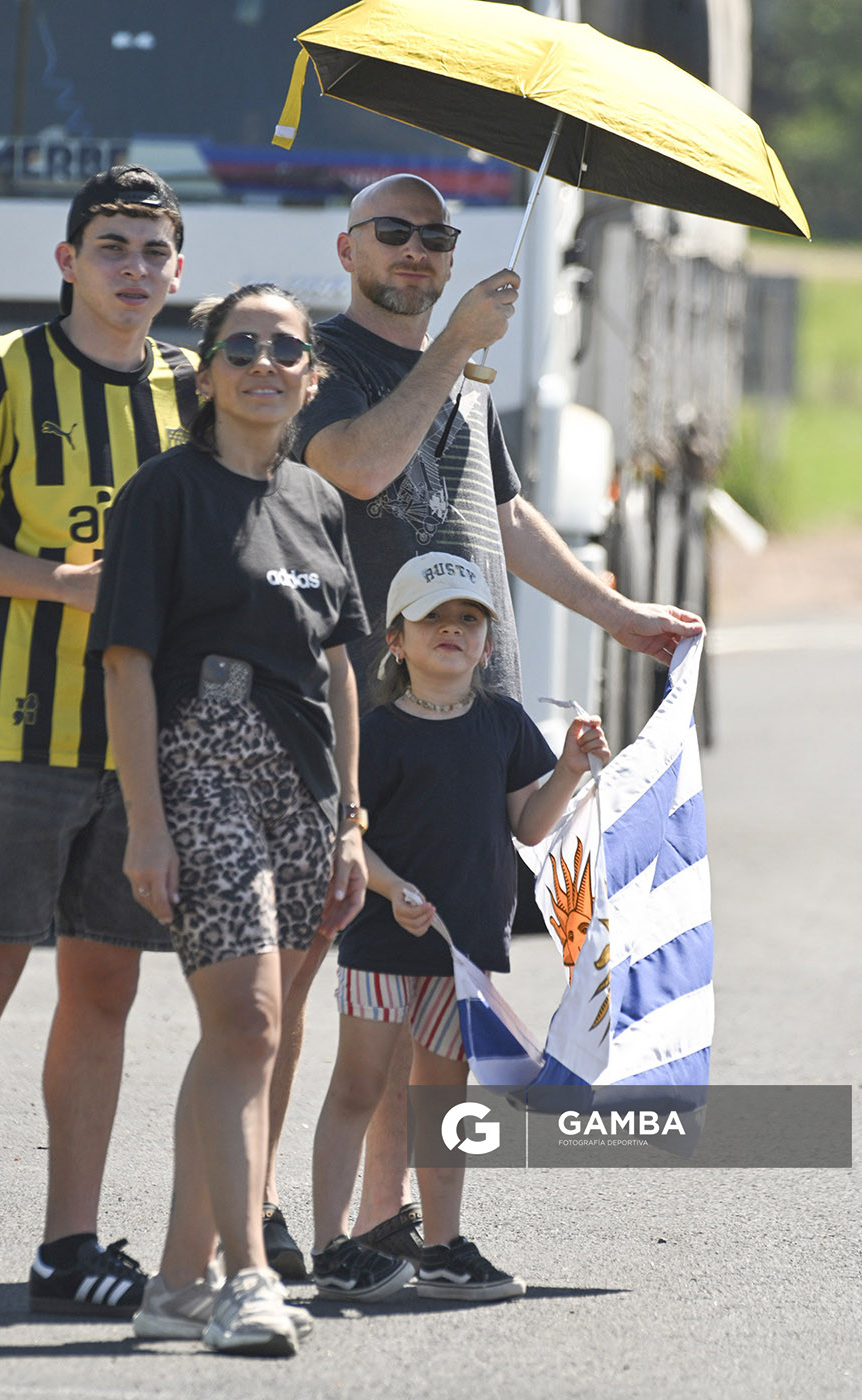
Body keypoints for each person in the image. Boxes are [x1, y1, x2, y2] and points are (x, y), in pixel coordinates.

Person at [267, 171, 704, 1268]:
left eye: (436, 235)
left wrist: (618, 616)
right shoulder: (318, 362)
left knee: (429, 1000)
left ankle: (389, 1225)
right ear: (348, 247)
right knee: (302, 974)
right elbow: (359, 467)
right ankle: (259, 1211)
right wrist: (454, 346)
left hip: (460, 723)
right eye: (394, 232)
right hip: (352, 719)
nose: (417, 250)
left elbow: (502, 514)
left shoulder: (463, 383)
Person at [0, 165, 198, 1324]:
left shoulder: (195, 387)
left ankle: (67, 1246)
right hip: (20, 730)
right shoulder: (2, 369)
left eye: (153, 250)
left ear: (179, 270)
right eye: (112, 246)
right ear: (68, 261)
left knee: (105, 987)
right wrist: (63, 584)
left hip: (143, 749)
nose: (134, 268)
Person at [91, 284, 370, 1356]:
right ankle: (247, 1274)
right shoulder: (161, 494)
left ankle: (175, 1285)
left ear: (311, 376)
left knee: (244, 1035)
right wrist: (145, 822)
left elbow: (339, 667)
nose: (263, 362)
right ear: (204, 373)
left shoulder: (317, 501)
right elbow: (124, 663)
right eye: (240, 346)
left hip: (302, 786)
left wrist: (349, 820)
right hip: (197, 766)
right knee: (250, 1023)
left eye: (285, 349)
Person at [310, 553, 610, 1300]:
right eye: (432, 618)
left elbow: (530, 828)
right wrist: (391, 888)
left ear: (487, 642)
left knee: (443, 1101)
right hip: (381, 946)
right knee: (357, 1087)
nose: (452, 629)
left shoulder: (503, 724)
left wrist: (570, 769)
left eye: (468, 618)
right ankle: (331, 1246)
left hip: (465, 955)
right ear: (395, 640)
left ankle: (442, 1248)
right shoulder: (374, 734)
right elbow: (348, 837)